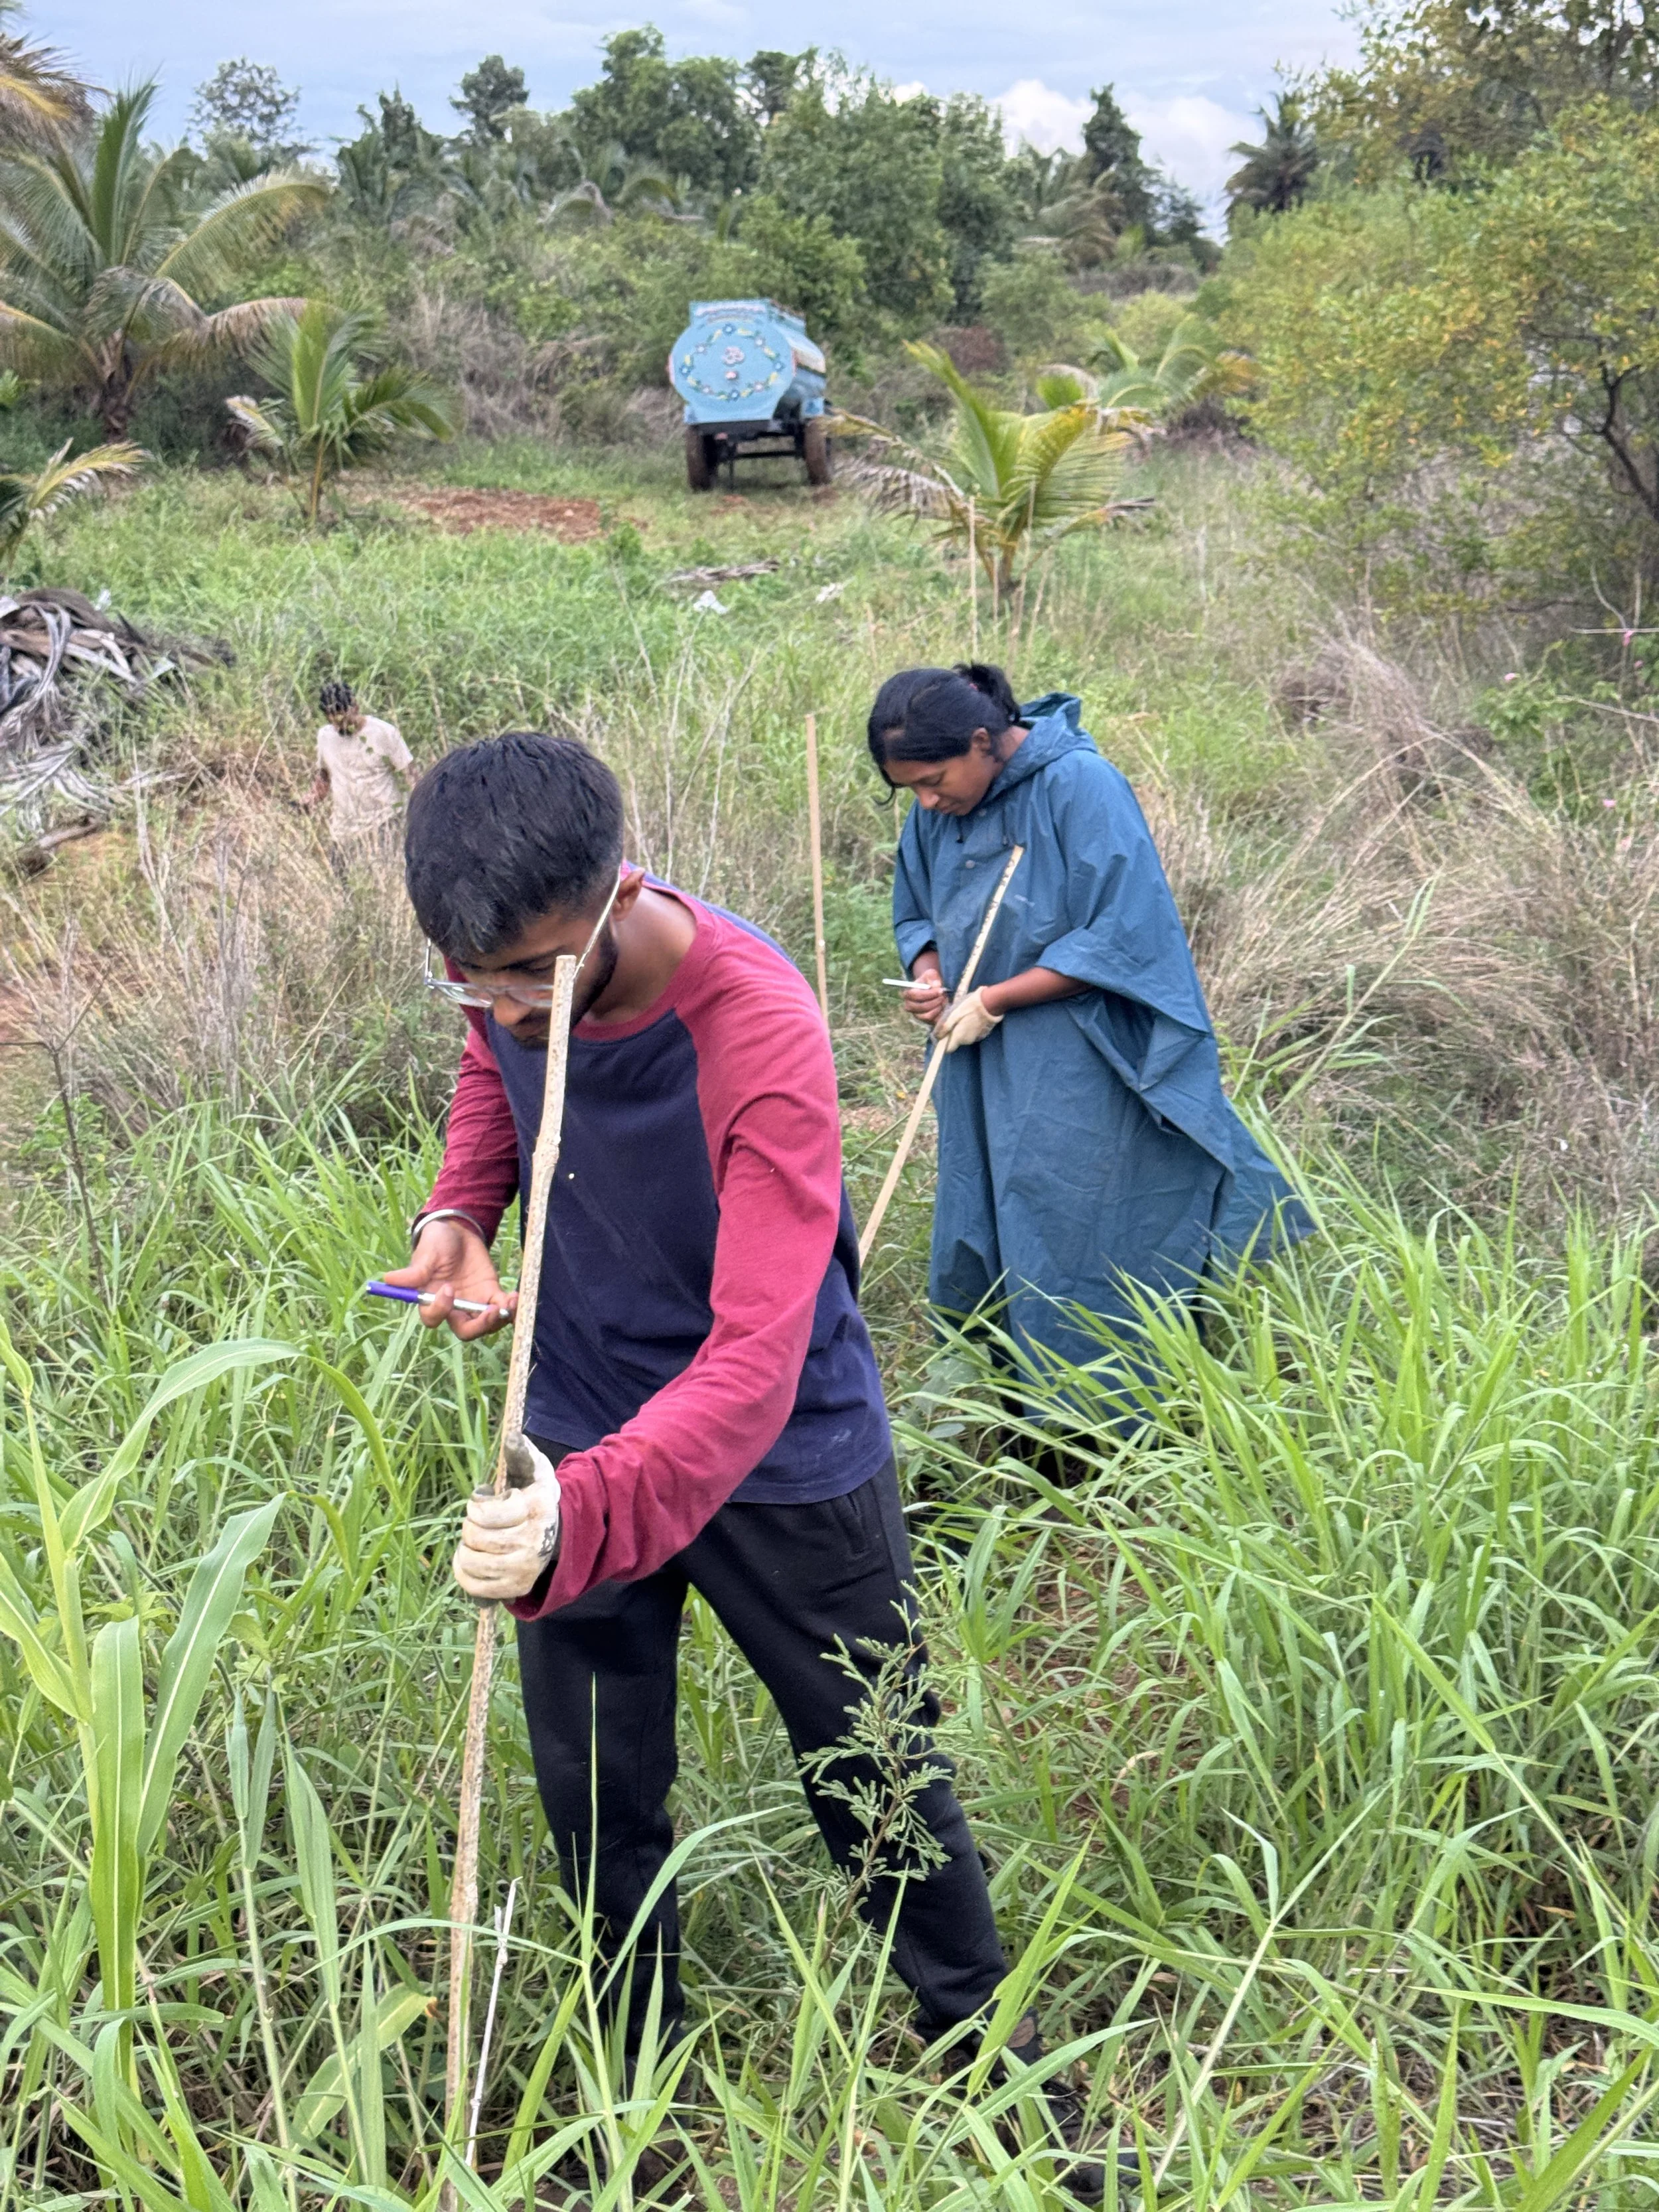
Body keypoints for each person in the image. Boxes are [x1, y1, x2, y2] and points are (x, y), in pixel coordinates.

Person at [383, 731, 1129, 2195]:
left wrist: (574, 1512)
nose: (506, 1008)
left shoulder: (752, 1024)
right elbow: (497, 1075)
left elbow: (754, 1353)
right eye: (472, 980)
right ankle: (631, 2099)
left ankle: (998, 2074)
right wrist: (460, 1213)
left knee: (878, 1771)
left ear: (616, 896)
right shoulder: (507, 983)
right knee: (596, 1791)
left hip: (779, 1455)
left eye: (534, 973)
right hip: (583, 1420)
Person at [869, 661, 1310, 1384]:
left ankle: (1118, 1411)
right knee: (988, 1209)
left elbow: (1124, 932)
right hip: (976, 1061)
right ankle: (1016, 1399)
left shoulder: (1079, 786)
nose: (925, 799)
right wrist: (929, 978)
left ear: (982, 741)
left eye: (934, 779)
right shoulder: (934, 813)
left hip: (1075, 1054)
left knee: (1081, 1221)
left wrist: (996, 998)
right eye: (910, 787)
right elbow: (915, 907)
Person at [306, 679, 412, 860]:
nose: (341, 728)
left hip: (384, 825)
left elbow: (411, 777)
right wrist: (309, 800)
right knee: (342, 885)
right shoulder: (325, 736)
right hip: (343, 832)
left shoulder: (385, 733)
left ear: (355, 706)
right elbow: (324, 777)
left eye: (344, 720)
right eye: (335, 724)